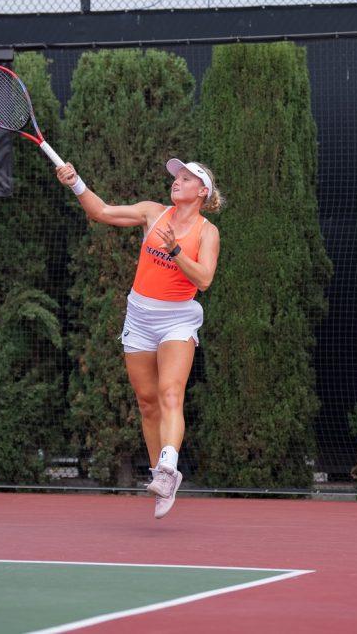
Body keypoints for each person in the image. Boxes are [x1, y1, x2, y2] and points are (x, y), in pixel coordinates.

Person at [56, 158, 222, 519]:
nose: (176, 182)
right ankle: (160, 476)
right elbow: (101, 212)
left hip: (178, 318)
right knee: (148, 403)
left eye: (185, 179)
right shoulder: (152, 213)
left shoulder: (207, 233)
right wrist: (75, 182)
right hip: (140, 316)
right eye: (175, 178)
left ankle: (169, 465)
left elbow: (204, 280)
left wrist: (176, 250)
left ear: (202, 191)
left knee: (170, 393)